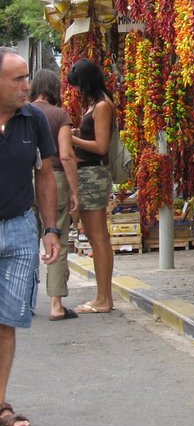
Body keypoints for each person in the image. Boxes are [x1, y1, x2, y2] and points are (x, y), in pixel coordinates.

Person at [0, 47, 60, 426]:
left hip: (20, 228)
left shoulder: (34, 119)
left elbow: (46, 175)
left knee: (7, 321)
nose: (27, 86)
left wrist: (51, 228)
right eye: (17, 79)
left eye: (26, 78)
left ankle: (0, 403)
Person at [30, 68, 81, 321]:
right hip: (54, 178)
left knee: (25, 240)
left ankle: (23, 302)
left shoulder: (23, 112)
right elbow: (66, 155)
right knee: (56, 238)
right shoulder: (60, 115)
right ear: (54, 89)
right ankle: (55, 305)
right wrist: (74, 191)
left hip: (23, 180)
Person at [66, 58, 116, 315]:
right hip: (88, 174)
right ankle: (101, 296)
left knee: (98, 238)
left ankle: (103, 298)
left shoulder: (102, 106)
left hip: (93, 175)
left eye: (78, 87)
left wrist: (70, 137)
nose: (77, 92)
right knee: (97, 238)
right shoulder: (96, 105)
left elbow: (101, 147)